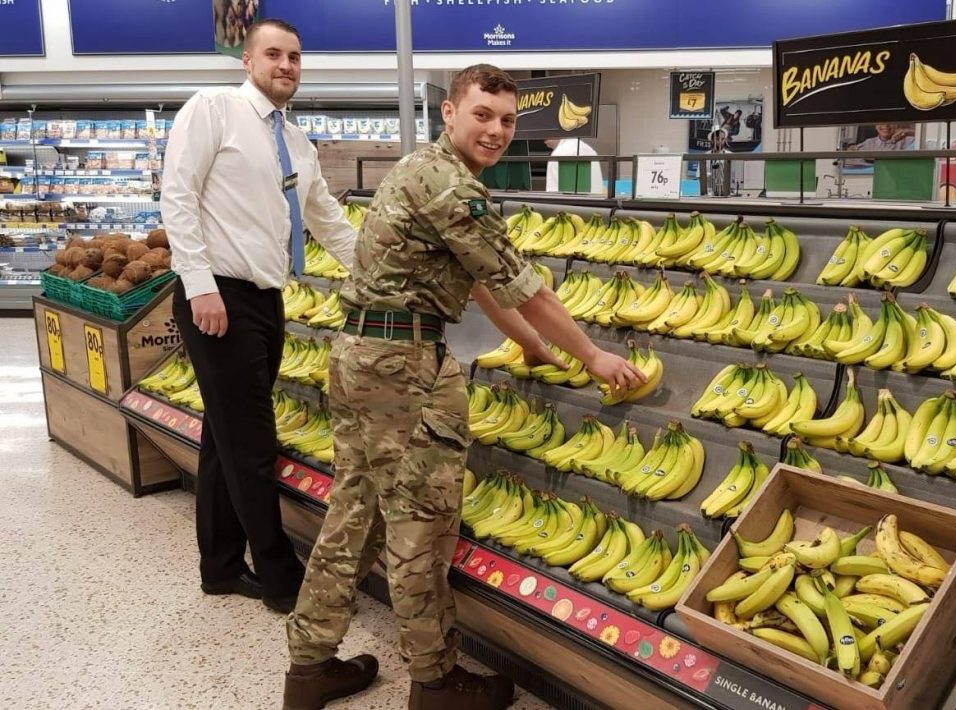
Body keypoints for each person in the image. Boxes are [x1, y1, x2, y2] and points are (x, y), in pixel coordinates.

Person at [282, 64, 646, 710]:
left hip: (359, 353)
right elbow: (523, 282)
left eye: (507, 120)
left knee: (353, 514)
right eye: (483, 114)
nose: (497, 130)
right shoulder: (454, 186)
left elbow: (480, 281)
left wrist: (533, 343)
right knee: (420, 525)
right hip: (404, 370)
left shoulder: (423, 171)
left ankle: (309, 668)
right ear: (449, 114)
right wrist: (593, 356)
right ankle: (436, 680)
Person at [161, 19, 357, 615]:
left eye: (295, 57)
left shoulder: (298, 143)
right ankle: (281, 580)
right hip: (217, 297)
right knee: (251, 442)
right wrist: (199, 285)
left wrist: (378, 275)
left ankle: (219, 567)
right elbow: (178, 193)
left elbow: (328, 222)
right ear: (247, 60)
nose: (287, 66)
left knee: (226, 438)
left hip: (266, 300)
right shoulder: (213, 110)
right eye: (274, 54)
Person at [851, 123, 916, 152]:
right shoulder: (869, 142)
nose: (885, 125)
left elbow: (925, 138)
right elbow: (853, 150)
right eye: (881, 121)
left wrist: (908, 131)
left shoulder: (907, 140)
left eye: (890, 121)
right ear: (876, 126)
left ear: (896, 125)